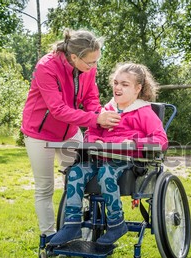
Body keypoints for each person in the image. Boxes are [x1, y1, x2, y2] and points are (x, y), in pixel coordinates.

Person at [49, 62, 168, 246]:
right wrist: (95, 140)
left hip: (129, 161)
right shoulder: (107, 110)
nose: (118, 88)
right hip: (100, 157)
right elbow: (93, 130)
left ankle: (116, 223)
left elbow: (161, 139)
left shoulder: (144, 112)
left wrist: (135, 143)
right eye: (116, 83)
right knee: (75, 172)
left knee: (106, 173)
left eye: (124, 84)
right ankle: (72, 225)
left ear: (138, 89)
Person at [21, 29, 120, 237]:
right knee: (45, 188)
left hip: (70, 132)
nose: (94, 67)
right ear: (74, 57)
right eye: (90, 63)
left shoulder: (88, 68)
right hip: (39, 134)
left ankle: (80, 231)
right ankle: (49, 237)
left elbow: (91, 99)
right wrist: (94, 119)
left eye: (96, 62)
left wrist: (99, 117)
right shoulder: (46, 67)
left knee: (81, 179)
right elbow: (57, 109)